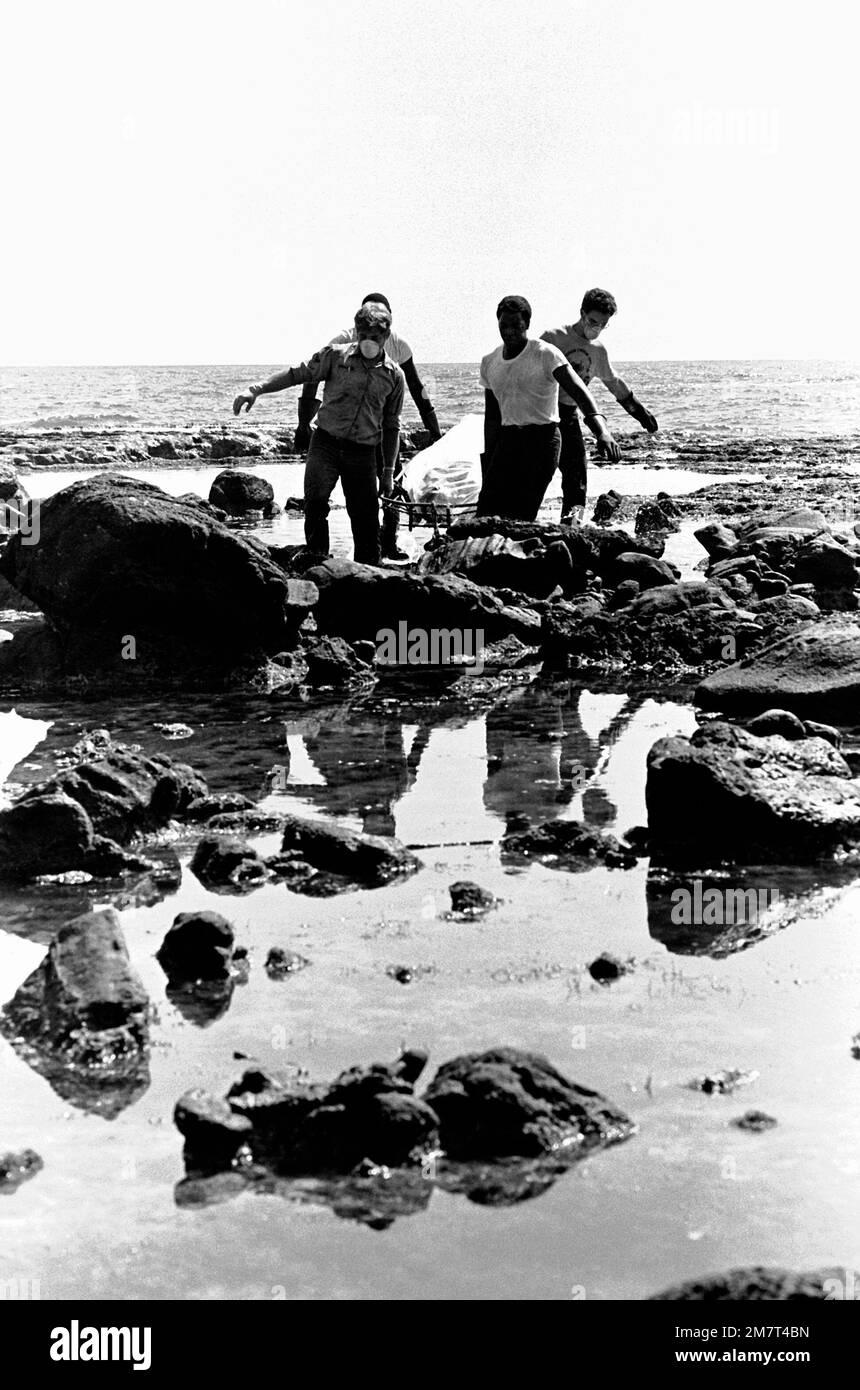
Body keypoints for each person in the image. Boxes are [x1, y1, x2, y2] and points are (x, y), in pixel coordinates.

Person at [232, 302, 404, 565]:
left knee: (366, 517)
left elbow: (392, 425)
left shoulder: (394, 376)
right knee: (315, 502)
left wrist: (389, 472)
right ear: (356, 333)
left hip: (363, 452)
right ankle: (317, 559)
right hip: (326, 443)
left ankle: (368, 572)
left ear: (386, 337)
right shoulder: (334, 356)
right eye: (364, 336)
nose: (369, 342)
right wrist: (256, 389)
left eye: (375, 337)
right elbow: (296, 374)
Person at [294, 293, 442, 560]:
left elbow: (417, 387)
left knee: (390, 485)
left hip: (381, 432)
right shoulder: (342, 341)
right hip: (342, 436)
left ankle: (388, 544)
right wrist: (303, 423)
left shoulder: (399, 346)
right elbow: (312, 378)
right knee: (318, 500)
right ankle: (317, 555)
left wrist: (434, 430)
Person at [476, 295, 620, 523]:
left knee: (575, 483)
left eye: (516, 325)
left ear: (527, 324)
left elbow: (581, 391)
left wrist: (602, 430)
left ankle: (575, 527)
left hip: (547, 435)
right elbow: (492, 418)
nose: (509, 331)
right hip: (509, 439)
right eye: (504, 325)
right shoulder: (490, 361)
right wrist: (489, 462)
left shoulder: (545, 353)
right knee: (487, 510)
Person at [541, 288, 659, 522]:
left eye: (602, 325)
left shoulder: (597, 350)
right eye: (593, 321)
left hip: (569, 414)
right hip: (541, 413)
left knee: (577, 480)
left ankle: (572, 525)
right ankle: (518, 525)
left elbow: (613, 382)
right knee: (535, 475)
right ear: (582, 313)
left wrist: (640, 412)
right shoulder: (553, 337)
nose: (596, 328)